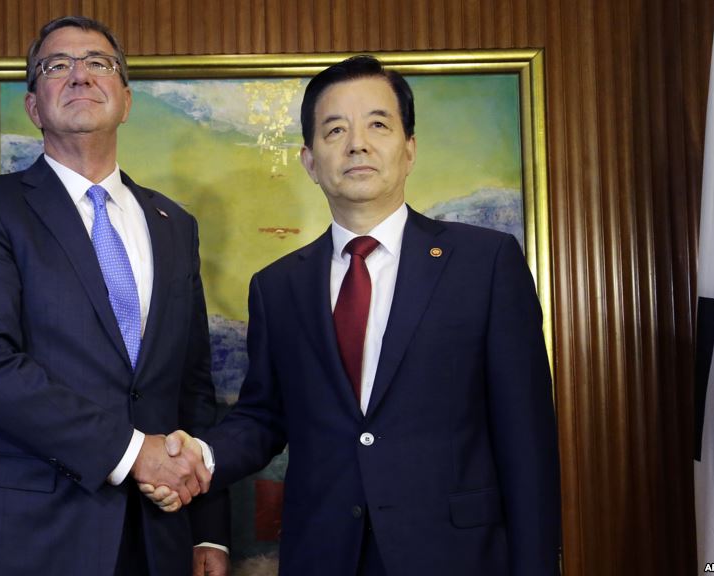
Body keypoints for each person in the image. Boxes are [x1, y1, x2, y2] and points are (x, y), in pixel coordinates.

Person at [146, 55, 561, 575]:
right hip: (324, 553)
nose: (357, 143)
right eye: (335, 129)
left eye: (378, 125)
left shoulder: (485, 263)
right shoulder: (278, 287)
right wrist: (201, 457)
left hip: (456, 555)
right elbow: (262, 417)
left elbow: (527, 440)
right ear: (310, 161)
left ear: (409, 150)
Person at [0, 16, 229, 575]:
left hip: (156, 537)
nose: (79, 76)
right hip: (27, 538)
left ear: (125, 99)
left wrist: (208, 533)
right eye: (56, 66)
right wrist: (130, 453)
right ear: (33, 107)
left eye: (98, 63)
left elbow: (193, 388)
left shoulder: (174, 224)